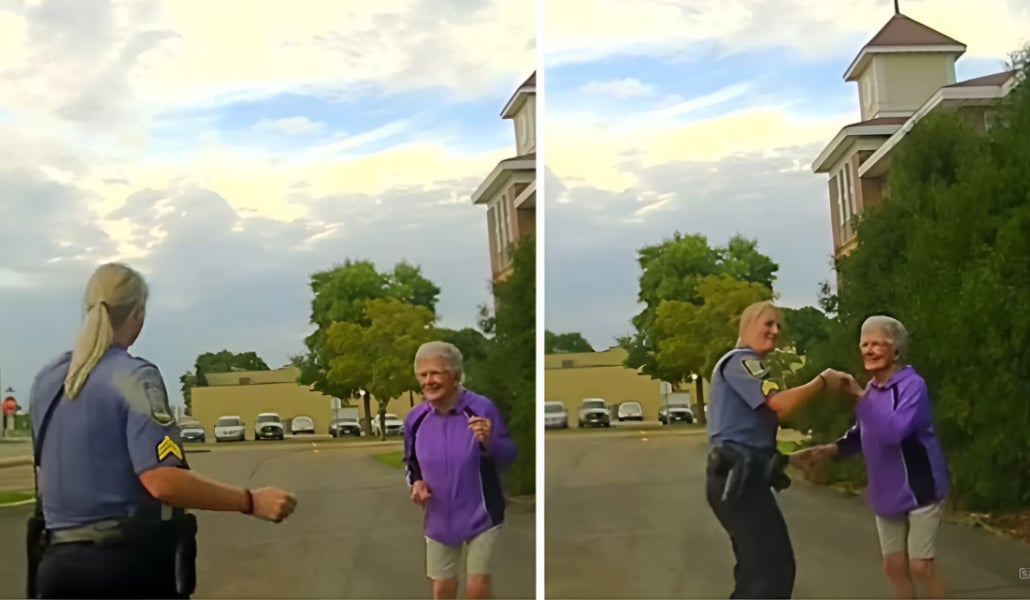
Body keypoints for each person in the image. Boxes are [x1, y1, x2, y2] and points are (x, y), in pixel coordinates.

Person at [28, 263, 298, 599]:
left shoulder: (48, 381)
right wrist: (250, 500)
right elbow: (161, 480)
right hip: (125, 568)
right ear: (137, 313)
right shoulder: (134, 378)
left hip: (56, 570)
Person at [705, 300, 856, 599]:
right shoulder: (741, 361)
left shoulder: (748, 367)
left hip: (743, 478)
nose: (775, 331)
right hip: (738, 482)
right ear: (747, 326)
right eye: (768, 323)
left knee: (760, 571)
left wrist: (788, 459)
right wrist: (822, 381)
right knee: (769, 574)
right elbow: (779, 405)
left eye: (778, 326)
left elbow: (746, 436)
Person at [791, 315, 949, 599]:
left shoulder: (912, 385)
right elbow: (860, 434)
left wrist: (857, 394)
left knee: (921, 566)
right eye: (865, 344)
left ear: (896, 351)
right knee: (893, 566)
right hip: (886, 491)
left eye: (878, 344)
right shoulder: (872, 391)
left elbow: (894, 431)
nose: (869, 350)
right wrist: (827, 451)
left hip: (921, 486)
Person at [402, 341, 517, 600]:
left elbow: (508, 455)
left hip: (482, 513)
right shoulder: (415, 419)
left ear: (455, 376)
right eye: (423, 374)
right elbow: (411, 463)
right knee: (442, 590)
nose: (428, 381)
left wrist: (490, 441)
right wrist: (416, 483)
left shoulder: (480, 408)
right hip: (439, 517)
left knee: (477, 588)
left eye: (436, 373)